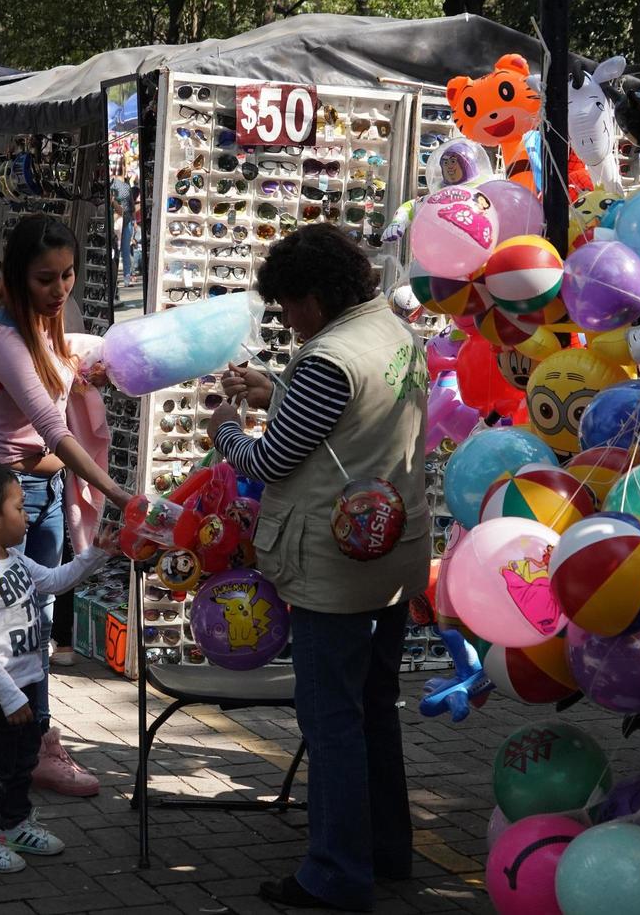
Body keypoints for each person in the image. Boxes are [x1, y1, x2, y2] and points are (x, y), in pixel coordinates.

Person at [210, 223, 427, 912]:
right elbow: (350, 424)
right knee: (373, 709)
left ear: (315, 294)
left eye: (288, 306)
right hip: (390, 552)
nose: (287, 320)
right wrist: (276, 388)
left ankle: (335, 871)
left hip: (336, 565)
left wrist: (223, 427)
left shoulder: (329, 357)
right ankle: (387, 849)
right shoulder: (394, 332)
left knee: (331, 718)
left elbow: (270, 461)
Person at [0, 214, 130, 799]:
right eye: (46, 278)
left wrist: (82, 368)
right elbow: (51, 428)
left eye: (68, 275)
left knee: (39, 624)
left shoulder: (43, 323)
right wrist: (120, 491)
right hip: (3, 501)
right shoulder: (1, 336)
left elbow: (50, 394)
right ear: (17, 276)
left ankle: (38, 746)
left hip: (42, 495)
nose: (61, 290)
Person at [0, 460, 116, 873]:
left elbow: (56, 581)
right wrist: (7, 697)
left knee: (22, 765)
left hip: (22, 688)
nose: (26, 515)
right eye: (19, 508)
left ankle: (15, 824)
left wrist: (95, 554)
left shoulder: (15, 561)